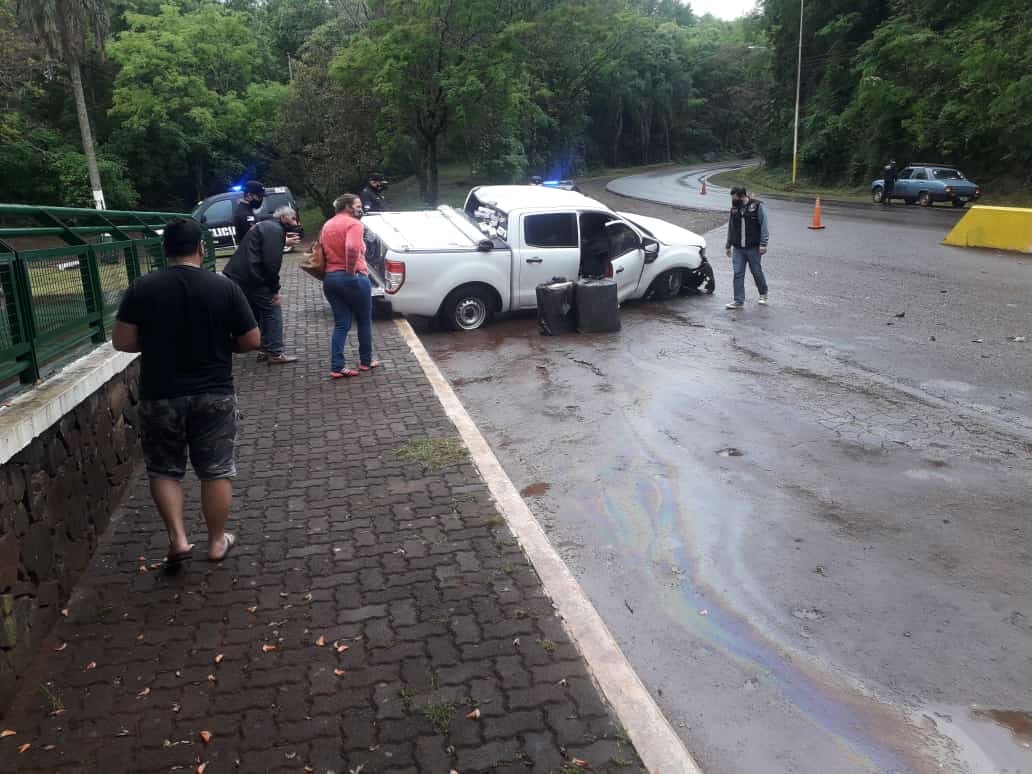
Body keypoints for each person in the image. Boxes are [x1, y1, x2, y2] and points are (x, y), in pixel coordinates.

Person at [112, 218, 260, 564]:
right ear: (201, 248)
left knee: (164, 469)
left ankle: (178, 540)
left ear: (165, 251)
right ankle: (215, 542)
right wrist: (225, 348)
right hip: (214, 393)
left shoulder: (142, 288)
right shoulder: (224, 287)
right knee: (216, 470)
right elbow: (252, 340)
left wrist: (156, 343)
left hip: (160, 394)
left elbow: (122, 341)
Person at [223, 205, 302, 364]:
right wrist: (274, 291)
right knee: (272, 310)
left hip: (239, 275)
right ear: (283, 217)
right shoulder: (275, 229)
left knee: (261, 312)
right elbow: (271, 263)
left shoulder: (266, 225)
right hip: (253, 277)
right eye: (292, 218)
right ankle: (275, 352)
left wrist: (283, 241)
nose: (295, 222)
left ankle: (265, 349)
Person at [320, 193, 382, 378]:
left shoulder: (328, 224)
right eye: (357, 205)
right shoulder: (354, 224)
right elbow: (352, 248)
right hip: (352, 277)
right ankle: (366, 360)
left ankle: (337, 366)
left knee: (341, 324)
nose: (360, 208)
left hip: (330, 279)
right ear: (347, 206)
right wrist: (350, 271)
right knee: (364, 319)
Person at [724, 186, 769, 309]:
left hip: (753, 247)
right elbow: (731, 227)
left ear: (742, 196)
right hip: (738, 248)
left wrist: (763, 244)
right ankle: (738, 301)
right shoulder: (734, 209)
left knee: (756, 271)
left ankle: (763, 294)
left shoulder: (757, 206)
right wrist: (728, 245)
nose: (733, 200)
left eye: (734, 198)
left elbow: (764, 224)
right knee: (738, 273)